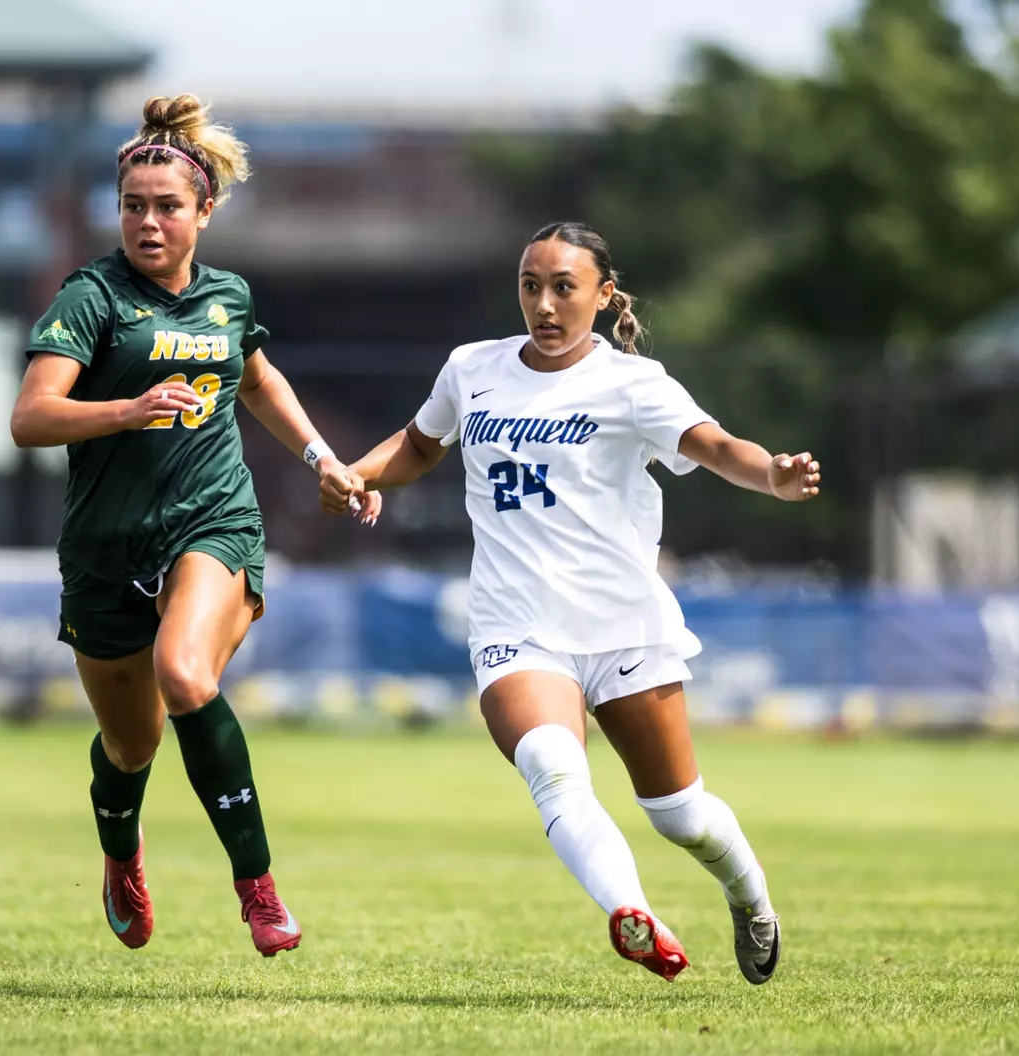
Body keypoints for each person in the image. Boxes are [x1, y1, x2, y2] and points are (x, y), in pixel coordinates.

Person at [320, 222, 820, 983]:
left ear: (604, 294)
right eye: (531, 286)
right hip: (516, 626)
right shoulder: (471, 368)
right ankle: (632, 913)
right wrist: (359, 473)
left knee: (679, 815)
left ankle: (751, 900)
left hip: (623, 626)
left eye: (564, 287)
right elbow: (420, 444)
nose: (545, 305)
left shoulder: (634, 383)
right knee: (553, 767)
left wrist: (773, 477)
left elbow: (717, 447)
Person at [11, 94, 379, 958]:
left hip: (213, 522)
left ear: (204, 212)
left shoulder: (227, 296)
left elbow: (258, 379)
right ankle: (122, 855)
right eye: (132, 206)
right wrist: (128, 408)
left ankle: (258, 888)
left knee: (183, 673)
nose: (148, 222)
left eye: (167, 207)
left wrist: (323, 457)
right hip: (105, 546)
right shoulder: (92, 297)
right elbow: (31, 418)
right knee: (129, 745)